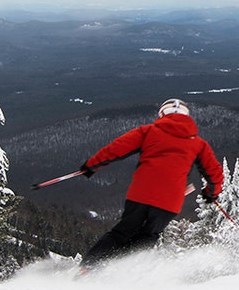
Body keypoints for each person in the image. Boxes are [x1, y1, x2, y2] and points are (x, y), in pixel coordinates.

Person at [78, 98, 224, 269]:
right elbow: (215, 174)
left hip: (141, 194)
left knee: (122, 232)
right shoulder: (199, 144)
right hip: (169, 202)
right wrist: (211, 193)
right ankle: (121, 270)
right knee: (149, 235)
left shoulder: (148, 132)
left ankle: (88, 268)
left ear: (162, 114)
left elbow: (116, 148)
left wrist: (91, 165)